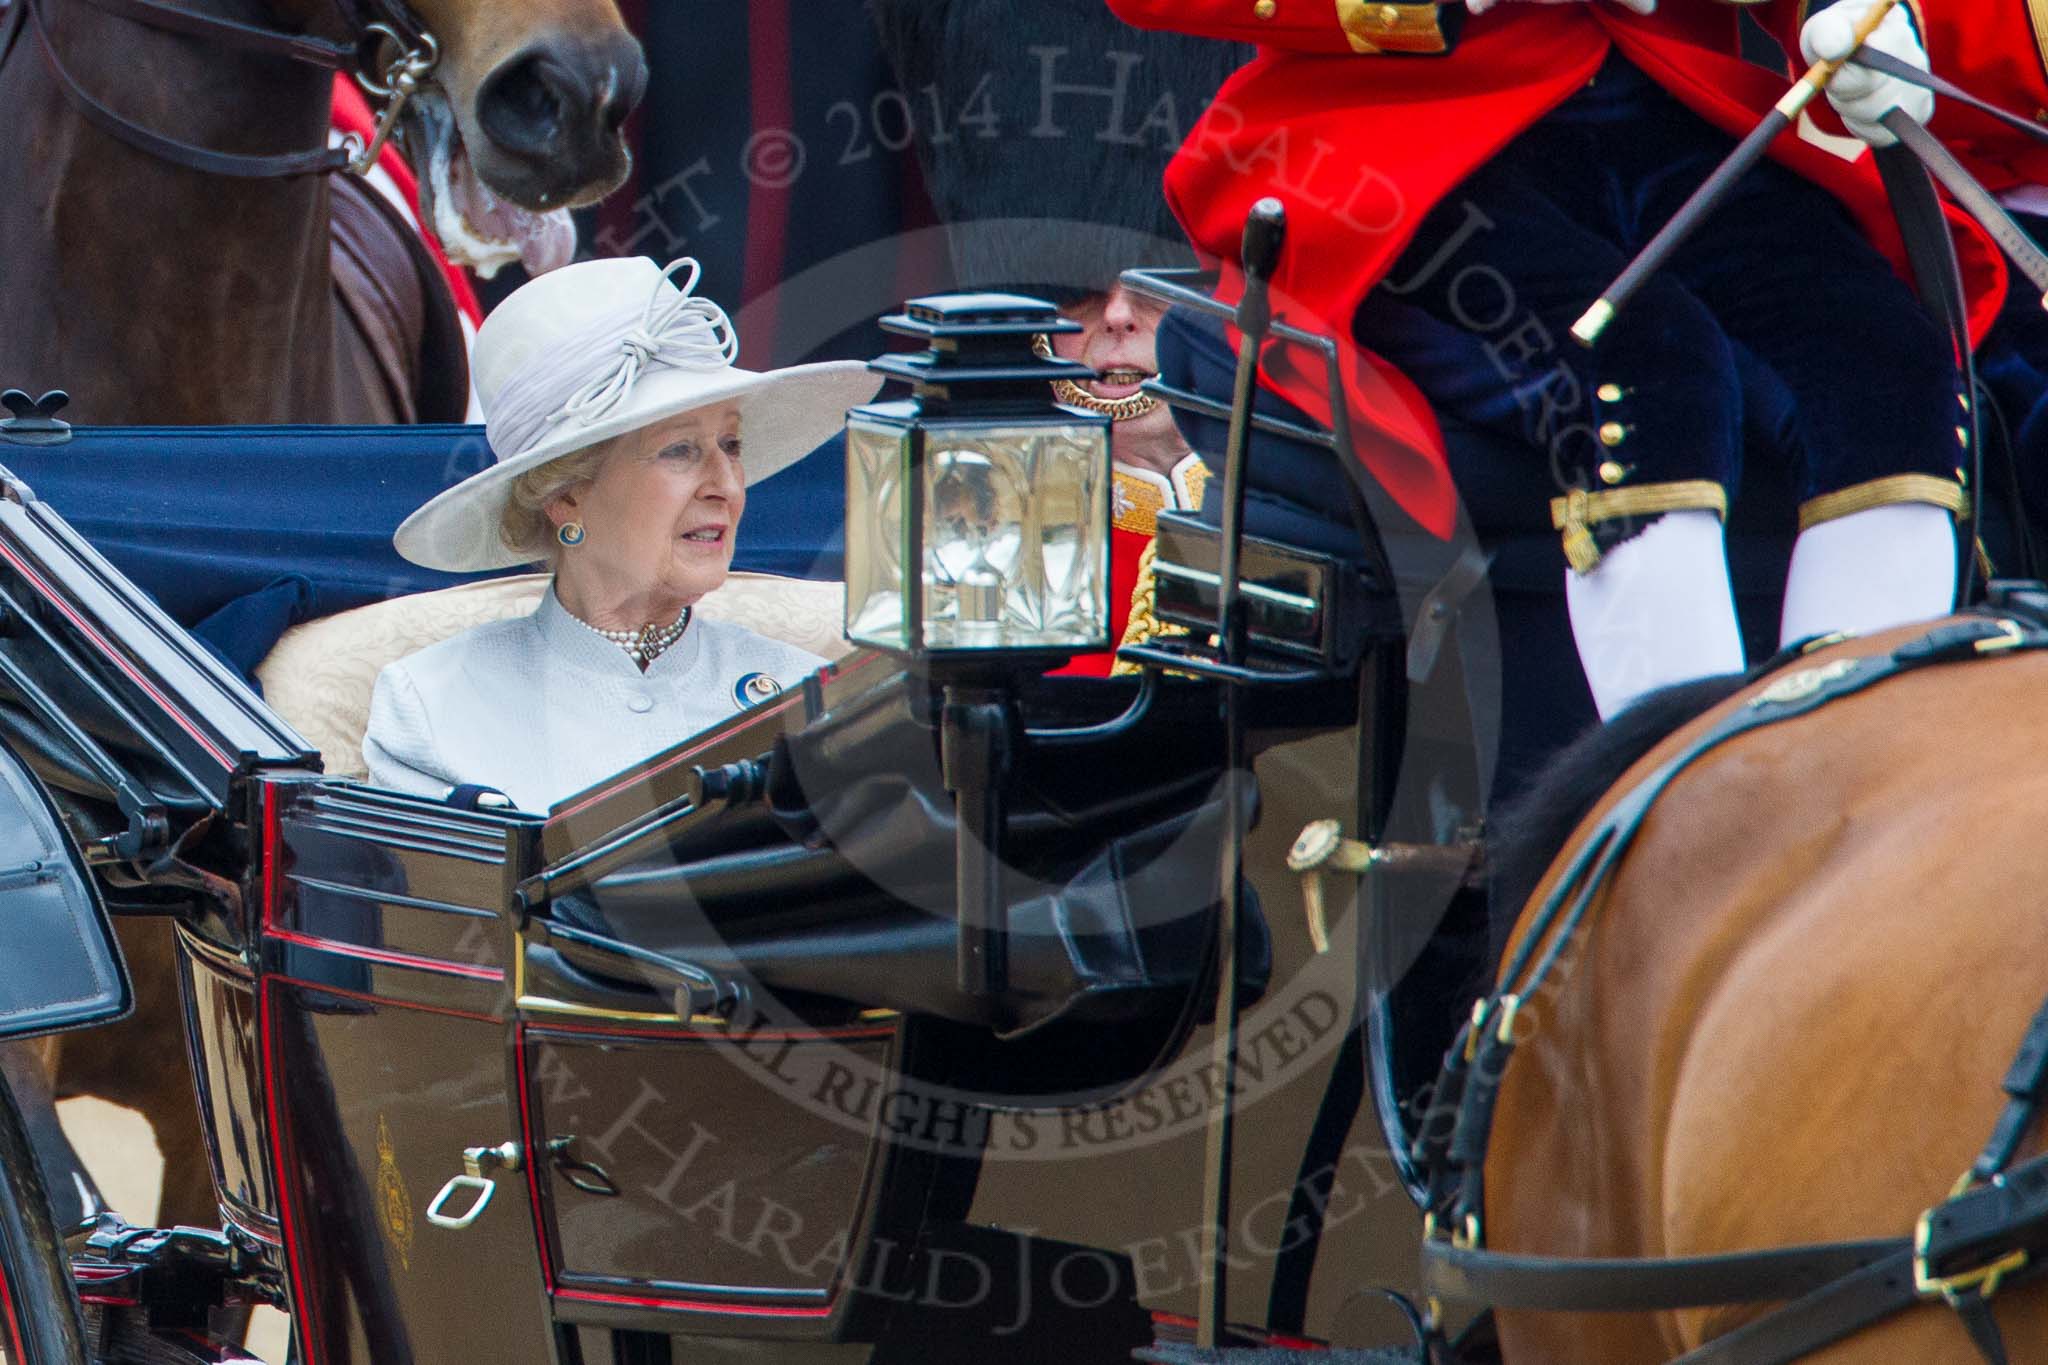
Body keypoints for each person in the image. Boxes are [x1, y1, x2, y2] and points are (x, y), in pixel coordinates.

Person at [1107, 0, 2005, 718]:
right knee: (1646, 376)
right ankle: (1688, 831)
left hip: (1664, 108)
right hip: (1396, 131)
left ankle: (1857, 790)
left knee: (1891, 373)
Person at [362, 255, 881, 812]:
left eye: (731, 445)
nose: (726, 485)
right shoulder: (434, 708)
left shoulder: (806, 698)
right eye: (680, 450)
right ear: (565, 496)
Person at [871, 0, 1245, 673]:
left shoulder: (1307, 510)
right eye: (1074, 293)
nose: (1120, 314)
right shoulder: (977, 547)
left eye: (1158, 284)